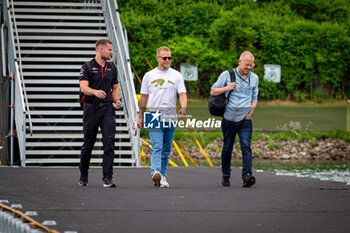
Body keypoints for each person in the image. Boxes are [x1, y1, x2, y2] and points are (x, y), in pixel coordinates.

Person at [137, 46, 187, 188]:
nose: (167, 60)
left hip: (170, 114)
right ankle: (155, 172)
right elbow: (144, 98)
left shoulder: (176, 75)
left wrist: (183, 107)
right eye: (164, 58)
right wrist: (141, 117)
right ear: (157, 58)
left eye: (169, 58)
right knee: (157, 146)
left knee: (166, 148)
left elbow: (182, 93)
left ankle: (163, 176)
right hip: (153, 115)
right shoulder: (149, 75)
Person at [211, 51, 259, 187]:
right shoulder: (227, 75)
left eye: (251, 65)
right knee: (227, 148)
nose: (249, 68)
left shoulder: (254, 78)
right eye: (246, 65)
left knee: (246, 147)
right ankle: (226, 174)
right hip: (228, 118)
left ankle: (247, 176)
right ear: (239, 62)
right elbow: (213, 91)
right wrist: (227, 87)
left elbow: (254, 98)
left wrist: (251, 112)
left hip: (245, 119)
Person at [78, 39, 122, 188]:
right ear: (101, 50)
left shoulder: (112, 67)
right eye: (109, 50)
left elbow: (115, 88)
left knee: (109, 143)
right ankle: (83, 175)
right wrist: (95, 92)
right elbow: (83, 88)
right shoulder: (87, 67)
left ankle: (108, 178)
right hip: (91, 109)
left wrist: (116, 101)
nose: (112, 52)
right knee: (88, 144)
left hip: (108, 110)